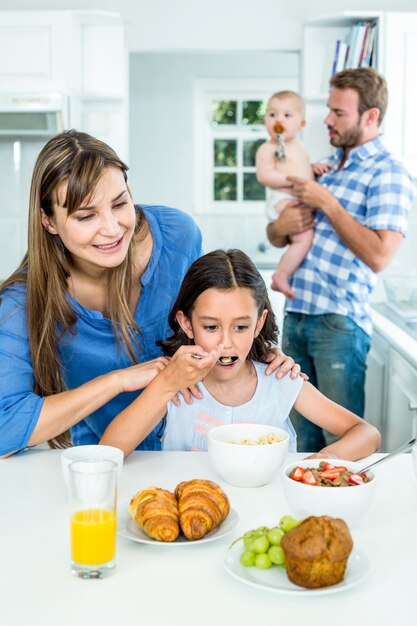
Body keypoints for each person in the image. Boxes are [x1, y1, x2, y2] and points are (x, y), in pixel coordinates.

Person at [0, 130, 299, 458]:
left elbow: (212, 323)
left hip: (190, 452)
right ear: (49, 221)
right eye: (86, 216)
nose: (112, 228)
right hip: (108, 458)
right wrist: (117, 381)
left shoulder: (177, 237)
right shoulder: (24, 301)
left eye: (120, 203)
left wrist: (257, 354)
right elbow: (5, 427)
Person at [102, 249, 380, 459]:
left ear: (259, 323)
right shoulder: (174, 386)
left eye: (241, 327)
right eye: (211, 327)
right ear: (187, 324)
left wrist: (319, 461)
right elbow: (108, 453)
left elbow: (366, 434)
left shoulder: (280, 379)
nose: (226, 342)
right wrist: (166, 385)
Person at [266, 68, 416, 452]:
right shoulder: (325, 168)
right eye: (329, 110)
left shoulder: (389, 174)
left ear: (370, 117)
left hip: (339, 325)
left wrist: (328, 204)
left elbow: (381, 255)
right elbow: (278, 236)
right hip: (297, 317)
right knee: (299, 440)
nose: (327, 120)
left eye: (338, 113)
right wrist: (281, 224)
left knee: (342, 443)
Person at [256, 91, 330, 299]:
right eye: (272, 114)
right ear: (265, 121)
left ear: (302, 124)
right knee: (304, 236)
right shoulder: (267, 148)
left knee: (307, 234)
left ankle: (284, 272)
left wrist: (313, 168)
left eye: (287, 115)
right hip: (282, 199)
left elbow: (302, 167)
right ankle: (282, 274)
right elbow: (264, 175)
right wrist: (293, 179)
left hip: (295, 198)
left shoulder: (299, 146)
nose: (279, 119)